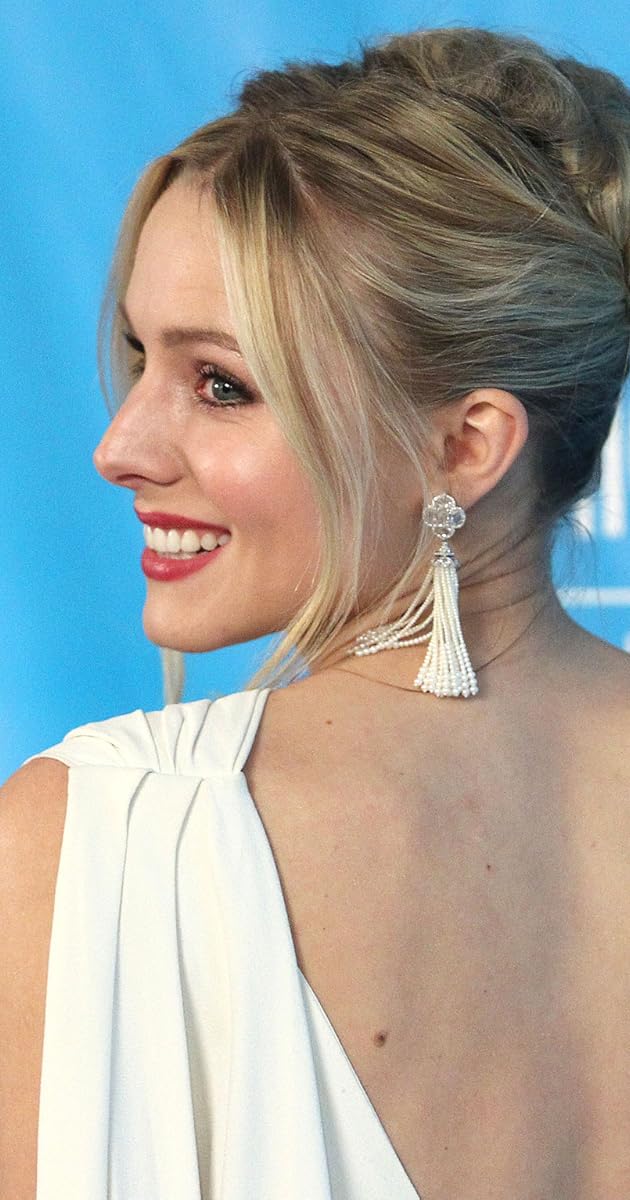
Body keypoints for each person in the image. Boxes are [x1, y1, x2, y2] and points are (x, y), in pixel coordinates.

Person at [2, 24, 630, 1200]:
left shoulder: (111, 836)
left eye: (221, 384)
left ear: (465, 446)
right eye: (140, 357)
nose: (119, 447)